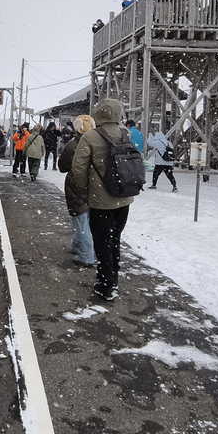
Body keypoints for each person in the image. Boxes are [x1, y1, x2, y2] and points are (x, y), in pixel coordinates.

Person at [70, 98, 138, 301]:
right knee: (115, 239)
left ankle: (106, 285)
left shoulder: (90, 136)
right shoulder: (125, 132)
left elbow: (78, 168)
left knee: (102, 242)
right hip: (124, 197)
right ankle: (113, 277)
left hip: (101, 200)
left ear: (98, 113)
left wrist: (85, 190)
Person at [57, 114, 97, 267]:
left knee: (80, 218)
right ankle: (79, 246)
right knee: (86, 220)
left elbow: (63, 167)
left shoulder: (73, 145)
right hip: (94, 185)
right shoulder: (98, 142)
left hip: (77, 185)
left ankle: (86, 255)